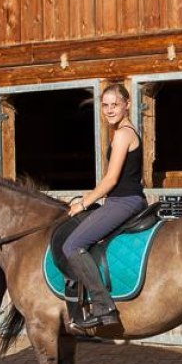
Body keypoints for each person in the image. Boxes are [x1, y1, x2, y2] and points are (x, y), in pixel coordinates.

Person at [63, 83, 147, 328]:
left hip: (124, 201)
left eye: (115, 105)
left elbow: (110, 179)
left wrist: (83, 202)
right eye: (105, 105)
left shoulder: (122, 134)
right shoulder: (124, 131)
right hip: (122, 199)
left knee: (72, 244)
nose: (110, 110)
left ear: (127, 105)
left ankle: (103, 305)